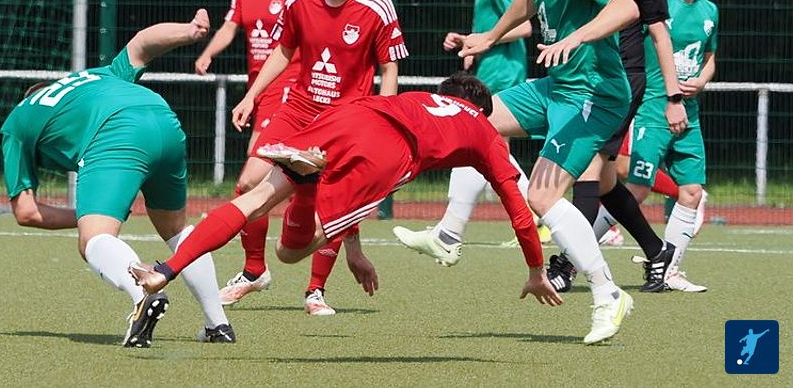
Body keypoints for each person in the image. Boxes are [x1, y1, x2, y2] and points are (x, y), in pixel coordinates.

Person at [129, 72, 563, 319]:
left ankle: (165, 270)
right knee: (291, 252)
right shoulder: (485, 130)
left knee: (254, 198)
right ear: (483, 110)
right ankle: (308, 187)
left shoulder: (422, 98)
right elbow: (520, 213)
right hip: (390, 149)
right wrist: (535, 270)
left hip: (353, 113)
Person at [458, 0, 638, 344]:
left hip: (593, 95)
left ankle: (608, 293)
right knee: (470, 120)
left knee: (541, 197)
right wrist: (490, 36)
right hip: (557, 87)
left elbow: (626, 7)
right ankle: (448, 231)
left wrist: (576, 38)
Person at [0, 10, 235, 347]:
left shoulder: (17, 121)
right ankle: (218, 325)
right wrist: (189, 31)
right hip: (163, 119)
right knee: (175, 228)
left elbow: (26, 211)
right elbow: (141, 44)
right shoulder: (92, 77)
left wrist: (87, 219)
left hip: (116, 131)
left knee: (94, 239)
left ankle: (143, 295)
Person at [218, 0, 407, 315]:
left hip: (347, 119)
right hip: (298, 110)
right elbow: (284, 52)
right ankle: (254, 271)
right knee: (248, 181)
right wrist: (252, 96)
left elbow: (389, 67)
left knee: (332, 204)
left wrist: (384, 119)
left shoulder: (378, 6)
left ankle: (315, 290)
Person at [544, 0, 690, 294]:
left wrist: (673, 97)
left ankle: (567, 265)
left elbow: (660, 36)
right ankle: (657, 251)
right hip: (584, 82)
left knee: (587, 170)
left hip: (621, 85)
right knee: (606, 180)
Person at [392, 0, 549, 263]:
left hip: (502, 77)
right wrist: (469, 42)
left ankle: (453, 231)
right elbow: (494, 31)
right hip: (493, 74)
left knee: (473, 145)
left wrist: (484, 40)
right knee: (488, 153)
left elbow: (524, 26)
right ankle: (536, 218)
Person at [624, 0, 718, 293]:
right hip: (654, 109)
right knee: (636, 190)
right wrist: (670, 94)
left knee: (691, 192)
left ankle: (669, 270)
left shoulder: (710, 11)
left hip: (689, 114)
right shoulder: (657, 4)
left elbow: (709, 58)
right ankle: (571, 260)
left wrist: (703, 80)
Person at [194, 0, 300, 151]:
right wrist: (207, 54)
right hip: (257, 82)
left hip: (285, 81)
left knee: (258, 151)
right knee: (277, 154)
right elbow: (229, 27)